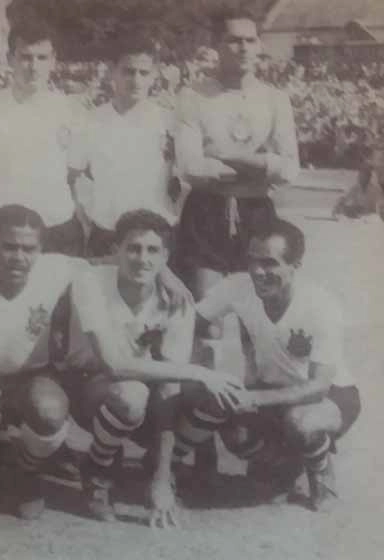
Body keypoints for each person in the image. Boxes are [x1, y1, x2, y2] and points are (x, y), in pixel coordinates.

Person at [0, 204, 194, 521]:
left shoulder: (58, 268)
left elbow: (117, 260)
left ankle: (26, 474)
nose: (19, 257)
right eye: (9, 246)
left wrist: (167, 275)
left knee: (49, 411)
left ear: (41, 250)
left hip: (34, 373)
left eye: (29, 248)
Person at [64, 210, 244, 527]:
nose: (142, 259)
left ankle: (162, 467)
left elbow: (169, 388)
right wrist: (200, 372)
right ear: (115, 249)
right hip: (90, 385)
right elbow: (114, 365)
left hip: (146, 391)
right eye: (133, 248)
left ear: (166, 257)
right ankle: (98, 470)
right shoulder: (91, 282)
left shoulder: (176, 301)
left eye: (152, 251)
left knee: (217, 396)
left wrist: (162, 478)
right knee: (132, 395)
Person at [174, 218, 361, 512]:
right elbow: (188, 323)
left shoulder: (321, 305)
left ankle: (321, 469)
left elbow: (318, 386)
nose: (258, 272)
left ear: (295, 265)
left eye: (270, 263)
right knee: (232, 429)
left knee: (301, 423)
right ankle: (285, 466)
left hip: (329, 396)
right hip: (271, 390)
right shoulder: (237, 286)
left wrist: (254, 398)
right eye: (252, 261)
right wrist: (194, 367)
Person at [174, 8, 300, 300]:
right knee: (208, 315)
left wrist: (223, 155)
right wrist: (261, 166)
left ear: (259, 45)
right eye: (233, 40)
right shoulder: (193, 96)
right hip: (206, 210)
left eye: (250, 40)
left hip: (257, 211)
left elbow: (290, 169)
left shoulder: (275, 99)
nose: (243, 48)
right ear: (217, 45)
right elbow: (190, 166)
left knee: (258, 315)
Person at [0, 20, 85, 256]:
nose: (33, 66)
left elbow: (73, 172)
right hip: (1, 230)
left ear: (53, 60)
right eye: (25, 57)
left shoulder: (71, 110)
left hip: (56, 228)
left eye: (42, 58)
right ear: (11, 58)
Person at [69, 36, 176, 256]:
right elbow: (72, 175)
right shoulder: (90, 121)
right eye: (128, 71)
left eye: (143, 73)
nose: (136, 80)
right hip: (107, 234)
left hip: (155, 235)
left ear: (154, 75)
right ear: (112, 72)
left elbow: (184, 181)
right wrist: (85, 217)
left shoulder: (169, 121)